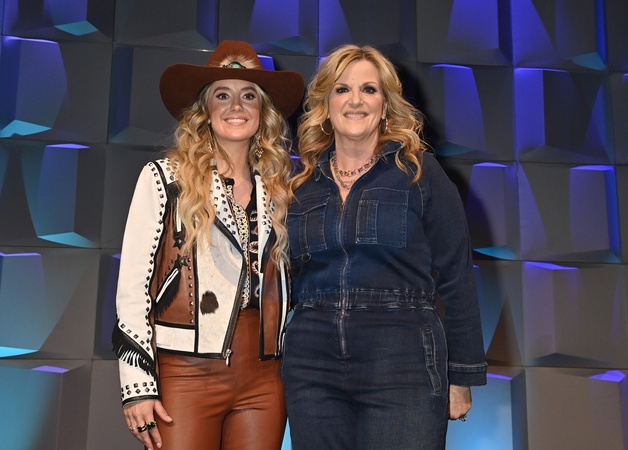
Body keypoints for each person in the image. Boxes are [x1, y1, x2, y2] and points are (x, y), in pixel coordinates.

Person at [281, 44, 487, 450]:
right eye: (342, 89)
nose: (355, 100)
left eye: (369, 89)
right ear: (325, 104)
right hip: (312, 367)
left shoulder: (419, 172)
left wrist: (462, 374)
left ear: (385, 104)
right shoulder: (301, 184)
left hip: (402, 361)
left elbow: (457, 276)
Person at [112, 40, 304, 450]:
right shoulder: (165, 177)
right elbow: (133, 286)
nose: (236, 106)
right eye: (222, 95)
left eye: (248, 95)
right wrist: (137, 385)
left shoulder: (283, 188)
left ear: (263, 111)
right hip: (186, 371)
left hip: (266, 375)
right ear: (205, 109)